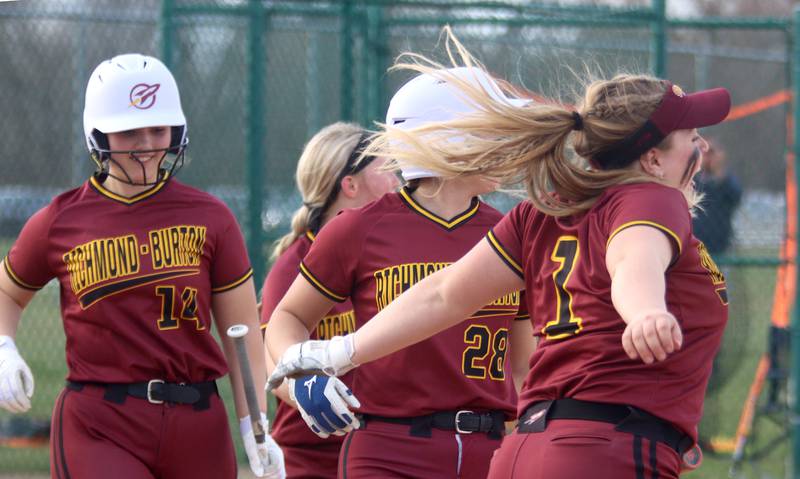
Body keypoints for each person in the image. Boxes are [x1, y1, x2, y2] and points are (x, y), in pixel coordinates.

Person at [267, 29, 730, 479]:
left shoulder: (541, 213)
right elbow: (633, 261)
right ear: (651, 159)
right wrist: (644, 310)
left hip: (520, 448)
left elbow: (445, 295)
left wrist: (342, 351)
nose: (703, 146)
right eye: (692, 135)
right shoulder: (650, 199)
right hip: (605, 447)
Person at [0, 53, 284, 479]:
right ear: (98, 133)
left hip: (197, 420)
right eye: (129, 131)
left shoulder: (212, 218)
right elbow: (7, 291)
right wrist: (3, 348)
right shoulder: (59, 221)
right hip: (100, 421)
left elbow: (240, 336)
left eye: (157, 127)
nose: (148, 143)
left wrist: (254, 424)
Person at [264, 66, 535, 479]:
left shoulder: (509, 232)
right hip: (389, 449)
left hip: (490, 449)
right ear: (445, 142)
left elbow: (523, 366)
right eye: (489, 130)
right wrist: (302, 378)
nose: (504, 142)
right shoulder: (359, 229)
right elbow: (288, 317)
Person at [260, 121, 399, 478]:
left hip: (387, 445)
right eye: (386, 167)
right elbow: (274, 361)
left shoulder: (387, 253)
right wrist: (314, 397)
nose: (398, 179)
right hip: (314, 456)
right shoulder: (293, 267)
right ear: (349, 185)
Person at [692, 139, 742, 256]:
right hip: (693, 245)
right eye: (704, 153)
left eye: (711, 153)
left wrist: (718, 171)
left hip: (720, 247)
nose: (708, 157)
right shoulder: (692, 180)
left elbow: (736, 196)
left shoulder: (725, 180)